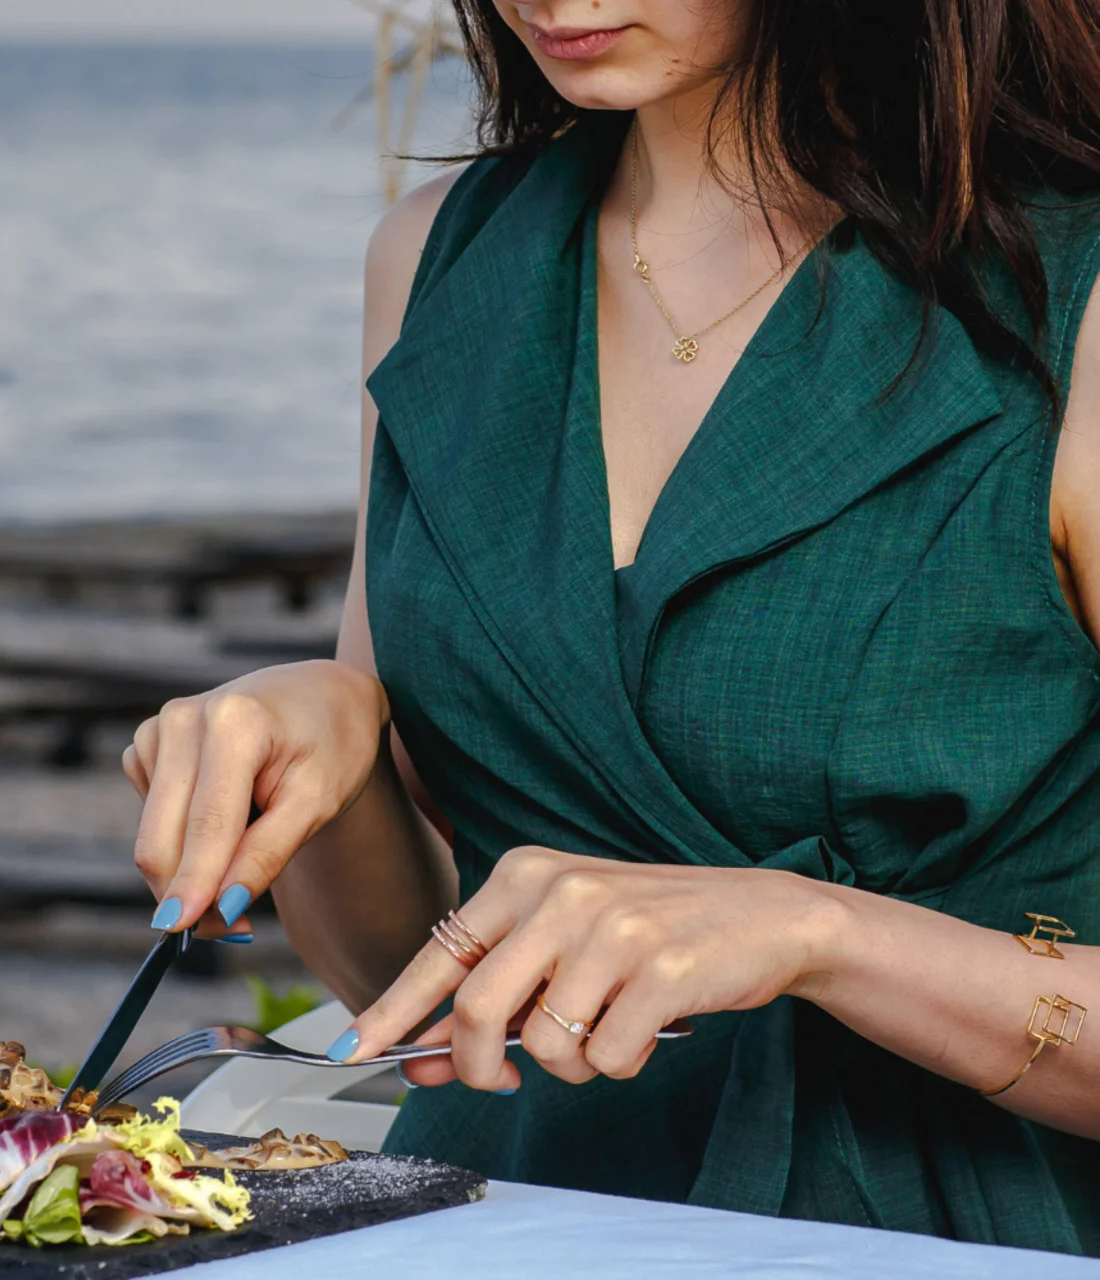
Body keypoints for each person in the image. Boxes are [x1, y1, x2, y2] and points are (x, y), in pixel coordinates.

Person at [120, 0, 1100, 1252]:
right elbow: (415, 989)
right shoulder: (435, 261)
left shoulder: (1072, 297)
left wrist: (823, 936)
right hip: (505, 1217)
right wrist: (320, 739)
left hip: (952, 1228)